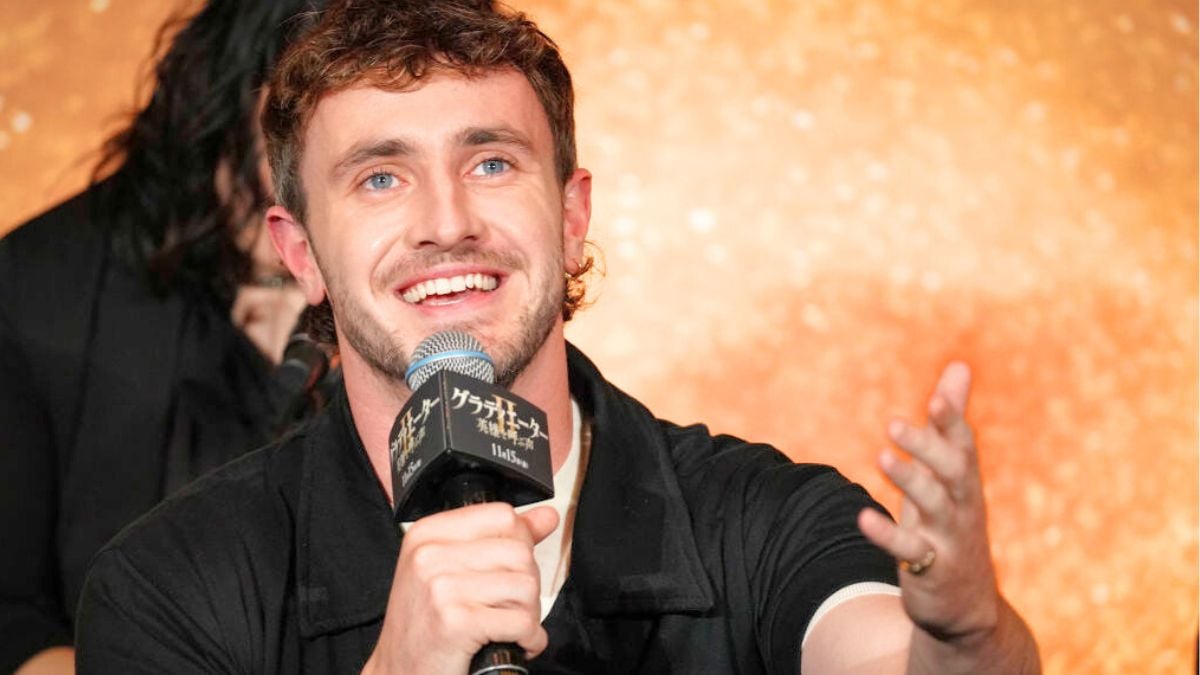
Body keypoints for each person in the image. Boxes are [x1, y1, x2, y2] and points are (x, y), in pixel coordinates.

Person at [75, 0, 1042, 672]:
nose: (445, 221)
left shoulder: (760, 521)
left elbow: (887, 654)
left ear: (572, 214)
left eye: (491, 161)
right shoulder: (169, 585)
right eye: (380, 177)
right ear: (302, 253)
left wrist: (961, 635)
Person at [0, 1, 330, 673]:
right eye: (294, 128)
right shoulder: (41, 289)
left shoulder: (406, 275)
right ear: (219, 108)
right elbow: (8, 615)